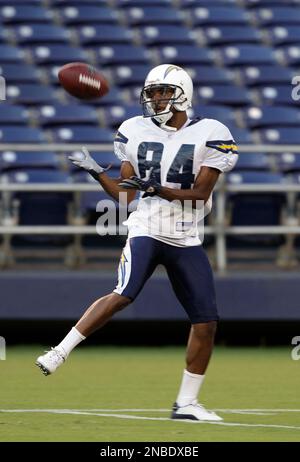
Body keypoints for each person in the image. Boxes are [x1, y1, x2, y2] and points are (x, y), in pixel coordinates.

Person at [36, 64, 238, 422]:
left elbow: (201, 193)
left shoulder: (212, 132)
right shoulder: (133, 129)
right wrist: (98, 172)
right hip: (146, 226)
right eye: (153, 92)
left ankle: (186, 404)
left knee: (206, 321)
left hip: (185, 235)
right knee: (124, 291)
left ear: (183, 94)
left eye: (164, 91)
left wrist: (155, 187)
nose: (157, 98)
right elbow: (127, 199)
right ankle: (59, 352)